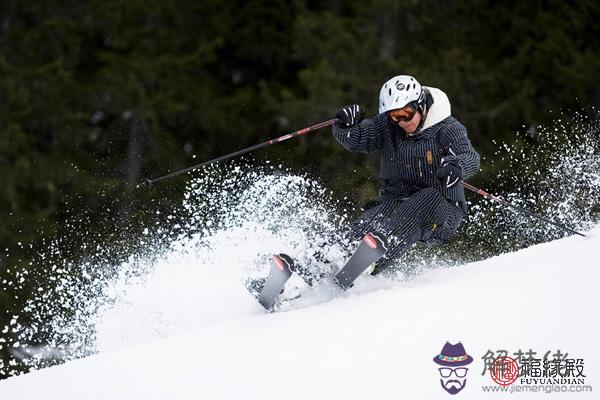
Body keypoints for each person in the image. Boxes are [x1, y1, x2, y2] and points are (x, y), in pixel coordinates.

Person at [332, 75, 480, 275]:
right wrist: (345, 127)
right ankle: (322, 260)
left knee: (425, 200)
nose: (401, 121)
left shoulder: (447, 128)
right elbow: (360, 138)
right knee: (370, 221)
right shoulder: (388, 126)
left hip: (442, 208)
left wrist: (457, 167)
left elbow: (468, 155)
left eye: (406, 113)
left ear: (420, 105)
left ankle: (372, 261)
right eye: (395, 115)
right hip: (396, 201)